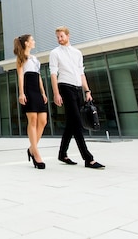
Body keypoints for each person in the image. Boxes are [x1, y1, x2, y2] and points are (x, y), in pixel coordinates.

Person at [49, 26, 105, 169]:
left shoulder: (77, 53)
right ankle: (88, 159)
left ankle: (62, 153)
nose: (59, 39)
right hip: (65, 87)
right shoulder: (55, 53)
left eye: (61, 36)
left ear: (68, 35)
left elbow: (81, 73)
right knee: (77, 122)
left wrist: (87, 91)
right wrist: (56, 93)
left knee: (71, 123)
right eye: (57, 37)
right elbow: (54, 75)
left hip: (77, 88)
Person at [14, 34, 48, 169]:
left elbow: (39, 77)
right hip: (28, 90)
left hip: (37, 91)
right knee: (32, 120)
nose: (34, 41)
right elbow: (21, 77)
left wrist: (43, 92)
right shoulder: (21, 58)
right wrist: (21, 93)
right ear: (27, 43)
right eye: (32, 40)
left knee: (43, 121)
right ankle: (36, 153)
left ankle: (31, 149)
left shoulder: (35, 59)